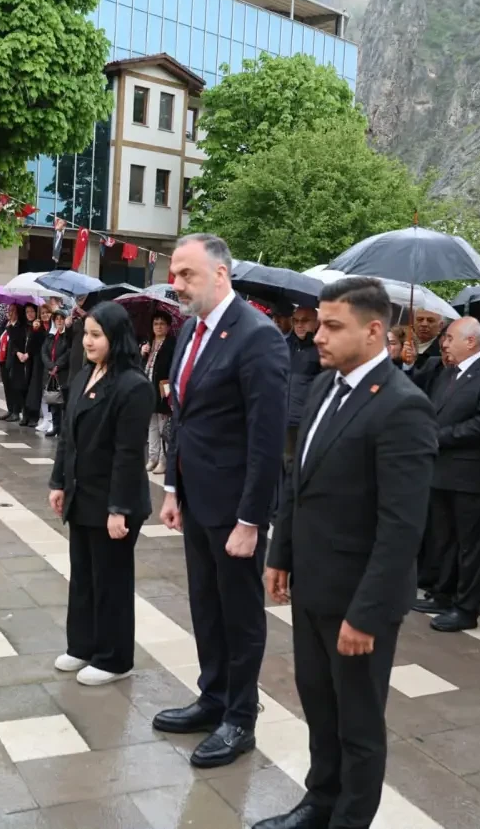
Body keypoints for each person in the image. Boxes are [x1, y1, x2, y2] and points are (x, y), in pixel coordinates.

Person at [260, 277, 437, 829]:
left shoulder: (402, 406)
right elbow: (299, 481)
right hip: (312, 582)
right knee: (318, 703)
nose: (319, 335)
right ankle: (320, 801)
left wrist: (367, 613)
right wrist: (280, 553)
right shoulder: (322, 387)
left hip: (359, 597)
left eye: (334, 326)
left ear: (374, 330)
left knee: (358, 721)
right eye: (320, 323)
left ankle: (350, 819)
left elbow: (401, 526)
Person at [153, 234, 289, 769]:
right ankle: (212, 696)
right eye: (175, 274)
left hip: (235, 509)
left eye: (187, 274)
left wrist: (251, 519)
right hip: (197, 498)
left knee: (239, 614)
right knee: (205, 607)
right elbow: (184, 418)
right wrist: (172, 487)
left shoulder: (257, 337)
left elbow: (266, 437)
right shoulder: (191, 331)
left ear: (221, 274)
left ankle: (240, 717)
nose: (177, 284)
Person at [48, 301, 155, 687]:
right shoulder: (84, 375)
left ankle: (114, 659)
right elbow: (68, 436)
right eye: (86, 334)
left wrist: (118, 508)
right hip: (82, 494)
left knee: (110, 581)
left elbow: (129, 454)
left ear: (116, 337)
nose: (88, 342)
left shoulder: (133, 386)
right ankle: (82, 645)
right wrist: (58, 482)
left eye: (97, 335)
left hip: (114, 500)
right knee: (83, 576)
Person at [413, 317, 480, 632]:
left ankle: (466, 608)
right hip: (442, 473)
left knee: (472, 546)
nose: (444, 343)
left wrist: (439, 437)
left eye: (449, 338)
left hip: (473, 477)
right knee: (444, 540)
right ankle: (442, 594)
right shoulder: (447, 373)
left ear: (470, 341)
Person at [141, 311, 177, 473]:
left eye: (162, 323)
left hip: (163, 390)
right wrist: (143, 353)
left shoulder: (171, 344)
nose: (158, 326)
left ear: (168, 327)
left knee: (163, 426)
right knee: (152, 426)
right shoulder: (148, 343)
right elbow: (142, 365)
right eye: (155, 323)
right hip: (148, 389)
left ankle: (163, 460)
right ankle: (152, 458)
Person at [285, 306, 322, 462]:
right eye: (296, 320)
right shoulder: (285, 344)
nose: (299, 325)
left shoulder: (322, 350)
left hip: (304, 422)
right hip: (281, 418)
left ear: (316, 323)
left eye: (305, 320)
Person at [41, 308, 72, 439]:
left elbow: (68, 352)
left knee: (63, 401)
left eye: (61, 319)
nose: (59, 321)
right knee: (53, 401)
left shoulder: (68, 336)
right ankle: (55, 426)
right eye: (56, 319)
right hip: (50, 372)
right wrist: (50, 365)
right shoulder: (51, 335)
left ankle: (64, 429)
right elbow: (44, 352)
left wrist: (57, 366)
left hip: (62, 372)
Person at [22, 304, 48, 428]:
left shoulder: (41, 327)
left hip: (38, 360)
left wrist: (36, 330)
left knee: (35, 388)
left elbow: (37, 344)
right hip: (27, 361)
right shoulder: (26, 326)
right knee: (26, 387)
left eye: (32, 311)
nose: (30, 314)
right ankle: (25, 414)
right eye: (27, 312)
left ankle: (34, 416)